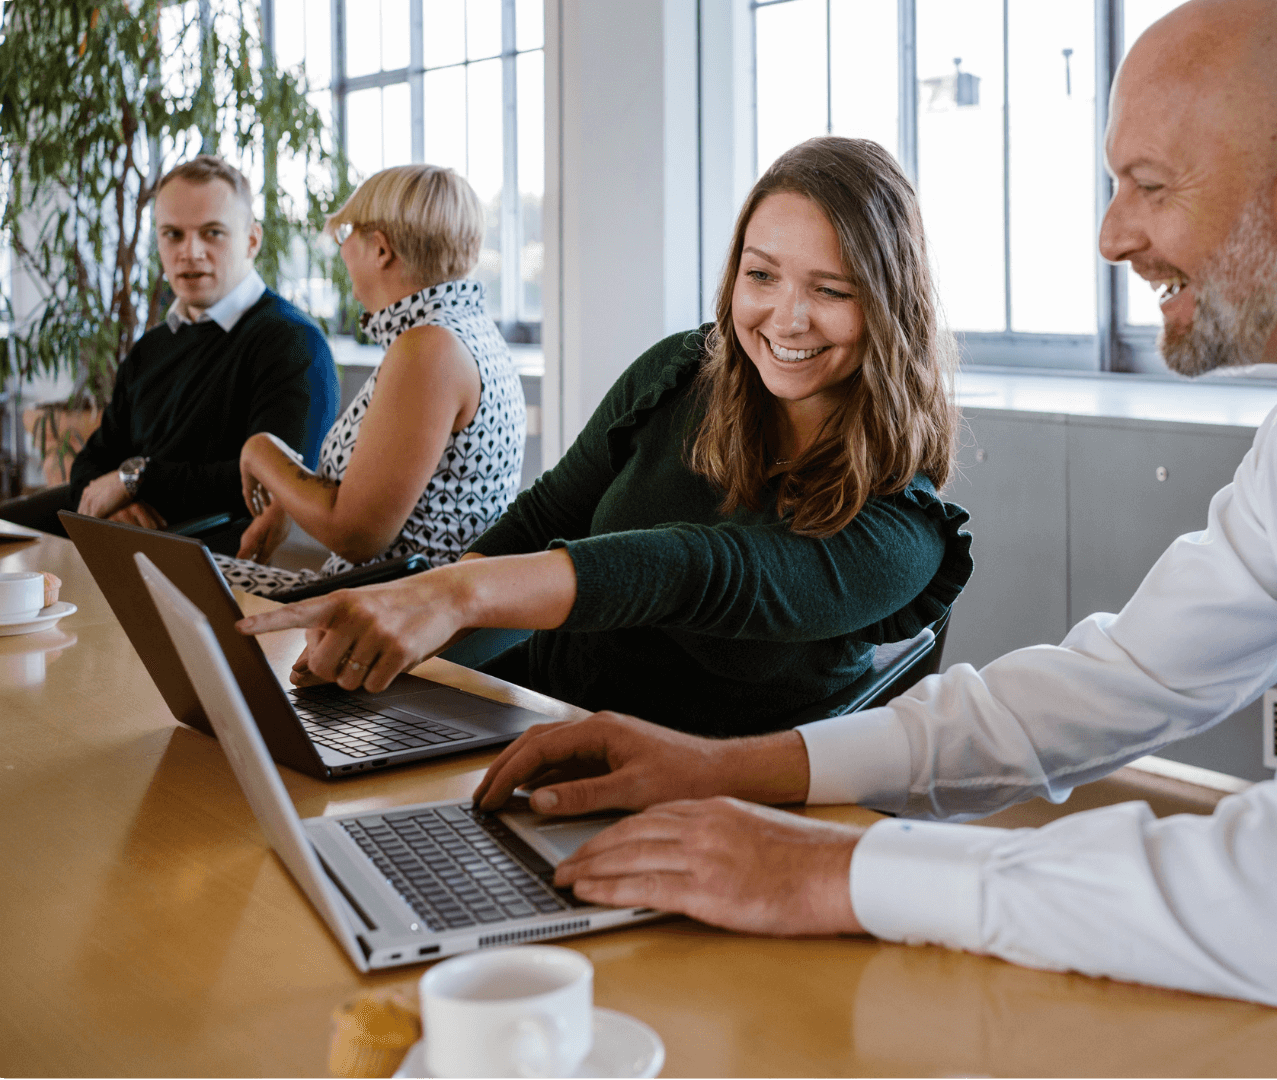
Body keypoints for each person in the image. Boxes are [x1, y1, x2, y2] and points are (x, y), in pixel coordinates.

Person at [409, 3, 1277, 1077]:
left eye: (1152, 186)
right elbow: (1100, 690)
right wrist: (750, 771)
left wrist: (833, 874)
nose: (1112, 234)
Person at [238, 137, 972, 737]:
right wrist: (408, 631)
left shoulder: (905, 533)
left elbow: (696, 571)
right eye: (762, 276)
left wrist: (453, 594)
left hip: (692, 795)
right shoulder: (680, 374)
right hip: (536, 717)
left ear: (887, 306)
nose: (786, 317)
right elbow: (545, 517)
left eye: (831, 290)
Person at [214, 164, 526, 597]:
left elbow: (355, 536)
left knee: (168, 578)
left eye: (346, 238)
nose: (342, 254)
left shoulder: (429, 349)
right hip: (388, 598)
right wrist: (288, 497)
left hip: (389, 611)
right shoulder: (462, 330)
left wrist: (259, 451)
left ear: (380, 249)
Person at [0, 155, 338, 539]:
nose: (190, 252)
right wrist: (115, 501)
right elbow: (94, 457)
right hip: (118, 530)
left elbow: (275, 483)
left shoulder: (293, 344)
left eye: (212, 233)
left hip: (199, 545)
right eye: (173, 234)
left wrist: (138, 480)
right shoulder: (151, 347)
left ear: (252, 240)